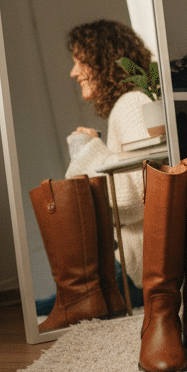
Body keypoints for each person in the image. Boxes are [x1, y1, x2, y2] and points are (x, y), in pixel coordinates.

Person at [61, 19, 154, 308]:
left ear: (105, 60)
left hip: (136, 264)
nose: (73, 71)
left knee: (48, 308)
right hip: (132, 260)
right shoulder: (132, 104)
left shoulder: (132, 104)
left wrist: (88, 151)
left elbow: (141, 197)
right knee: (55, 304)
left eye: (80, 60)